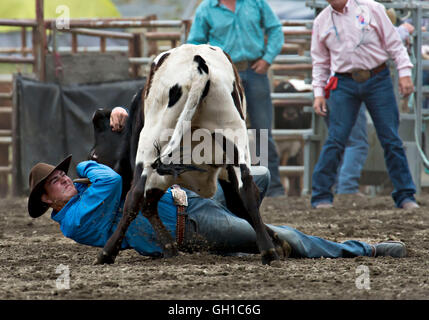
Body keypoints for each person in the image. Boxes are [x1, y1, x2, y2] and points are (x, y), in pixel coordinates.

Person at [26, 108, 407, 260]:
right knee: (277, 236)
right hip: (188, 224)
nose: (64, 180)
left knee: (259, 176)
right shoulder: (76, 221)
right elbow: (110, 179)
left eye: (62, 175)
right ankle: (361, 250)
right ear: (48, 202)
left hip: (189, 201)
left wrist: (115, 116)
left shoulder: (81, 199)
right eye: (56, 183)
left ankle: (240, 235)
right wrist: (91, 163)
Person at [310, 0, 419, 210]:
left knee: (390, 138)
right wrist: (318, 93)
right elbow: (320, 62)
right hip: (344, 81)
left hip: (377, 77)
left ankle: (406, 194)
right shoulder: (321, 21)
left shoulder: (372, 8)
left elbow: (394, 44)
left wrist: (405, 72)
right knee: (336, 138)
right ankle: (321, 195)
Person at [186, 0, 285, 197]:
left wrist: (267, 59)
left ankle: (271, 188)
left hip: (254, 70)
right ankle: (229, 187)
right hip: (222, 76)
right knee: (222, 131)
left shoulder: (256, 3)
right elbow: (194, 43)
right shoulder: (206, 8)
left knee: (262, 131)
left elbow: (275, 30)